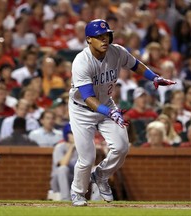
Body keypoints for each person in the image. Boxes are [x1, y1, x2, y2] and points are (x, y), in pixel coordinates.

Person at [68, 19, 176, 206]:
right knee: (87, 158)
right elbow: (87, 97)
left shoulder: (116, 51)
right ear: (88, 39)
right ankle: (78, 192)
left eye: (106, 35)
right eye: (99, 37)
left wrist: (154, 77)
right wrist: (110, 113)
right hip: (82, 110)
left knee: (122, 147)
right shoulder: (81, 62)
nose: (104, 40)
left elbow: (135, 65)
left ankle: (101, 175)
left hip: (106, 104)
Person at [50, 123, 78, 201]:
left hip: (75, 179)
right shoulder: (59, 147)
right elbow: (63, 164)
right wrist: (71, 148)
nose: (74, 135)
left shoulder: (81, 148)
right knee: (63, 169)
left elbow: (89, 166)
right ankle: (66, 199)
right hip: (58, 181)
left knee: (95, 172)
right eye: (72, 133)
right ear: (67, 134)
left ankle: (96, 201)